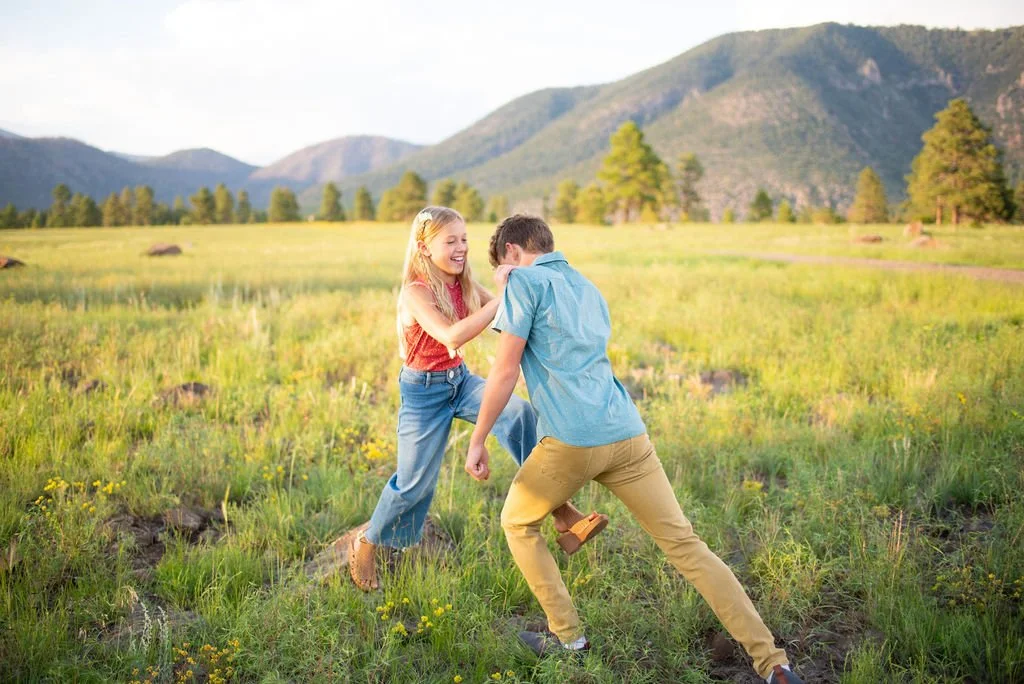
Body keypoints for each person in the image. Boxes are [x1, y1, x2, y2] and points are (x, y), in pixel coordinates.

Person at [463, 214, 805, 684]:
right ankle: (774, 663)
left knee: (517, 523)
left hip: (572, 440)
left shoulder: (523, 280)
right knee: (687, 546)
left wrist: (478, 438)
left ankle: (570, 640)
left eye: (505, 262)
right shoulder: (586, 286)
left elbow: (504, 371)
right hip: (628, 435)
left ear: (512, 252)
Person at [349, 207, 608, 591]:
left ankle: (562, 511)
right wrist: (500, 295)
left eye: (464, 239)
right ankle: (367, 541)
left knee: (519, 415)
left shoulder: (463, 283)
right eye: (450, 241)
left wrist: (518, 285)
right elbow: (451, 336)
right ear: (424, 247)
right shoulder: (415, 292)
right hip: (423, 393)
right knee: (414, 483)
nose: (461, 248)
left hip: (460, 381)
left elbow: (506, 312)